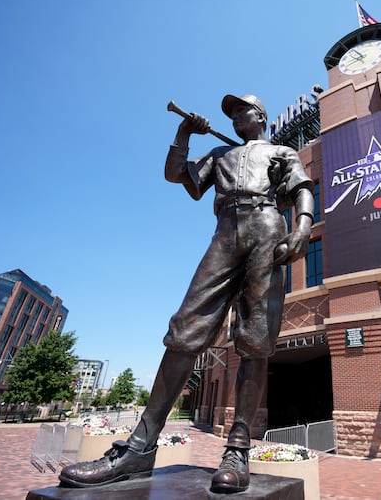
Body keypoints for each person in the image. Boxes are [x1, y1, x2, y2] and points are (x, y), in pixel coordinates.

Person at [59, 94, 314, 493]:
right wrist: (183, 133)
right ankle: (139, 448)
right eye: (229, 114)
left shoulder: (282, 151)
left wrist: (302, 226)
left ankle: (237, 451)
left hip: (267, 226)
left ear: (260, 115)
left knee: (255, 339)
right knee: (185, 330)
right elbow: (177, 175)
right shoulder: (220, 154)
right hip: (225, 232)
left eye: (240, 111)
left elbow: (302, 188)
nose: (233, 118)